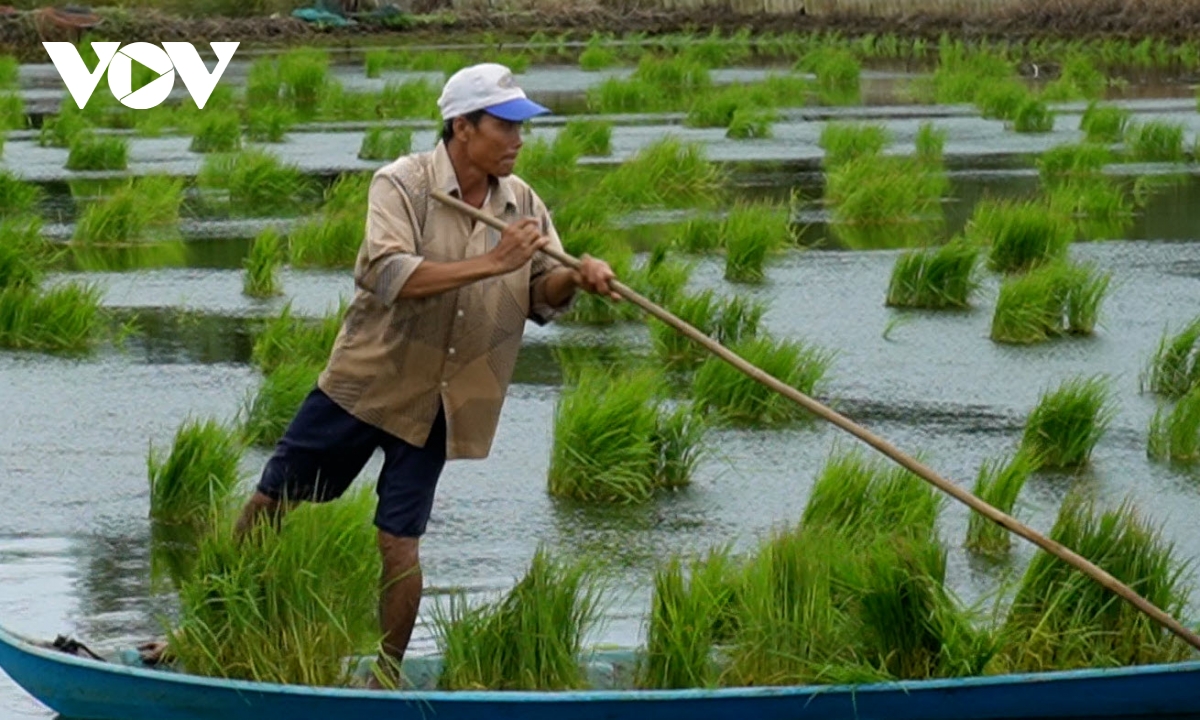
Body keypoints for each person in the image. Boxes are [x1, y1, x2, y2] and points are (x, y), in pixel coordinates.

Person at [232, 63, 619, 687]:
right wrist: (494, 260)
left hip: (446, 399)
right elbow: (391, 276)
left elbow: (537, 295)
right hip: (368, 383)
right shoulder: (403, 184)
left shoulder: (523, 203)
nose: (518, 139)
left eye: (522, 127)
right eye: (505, 125)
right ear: (463, 127)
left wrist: (575, 276)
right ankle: (219, 613)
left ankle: (386, 677)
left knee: (399, 541)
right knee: (272, 500)